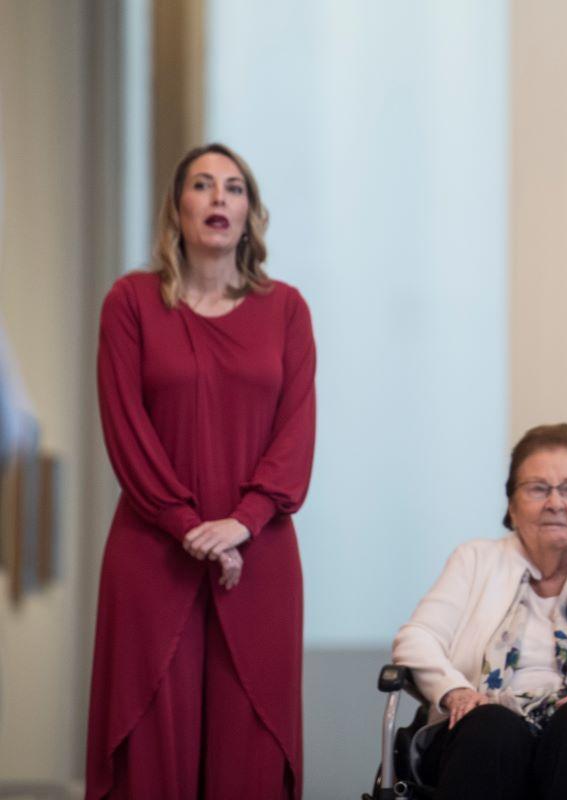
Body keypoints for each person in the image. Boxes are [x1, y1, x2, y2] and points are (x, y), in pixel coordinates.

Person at [85, 143, 316, 799]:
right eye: (202, 185)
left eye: (234, 187)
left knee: (250, 746)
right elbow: (125, 429)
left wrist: (240, 525)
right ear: (177, 208)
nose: (219, 198)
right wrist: (192, 528)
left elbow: (296, 434)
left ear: (250, 213)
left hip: (261, 556)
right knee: (155, 745)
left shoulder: (288, 310)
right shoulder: (130, 303)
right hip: (154, 553)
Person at [392, 423, 567, 800]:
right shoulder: (475, 560)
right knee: (492, 726)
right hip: (484, 728)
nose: (554, 502)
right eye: (538, 488)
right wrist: (454, 690)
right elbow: (417, 638)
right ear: (512, 504)